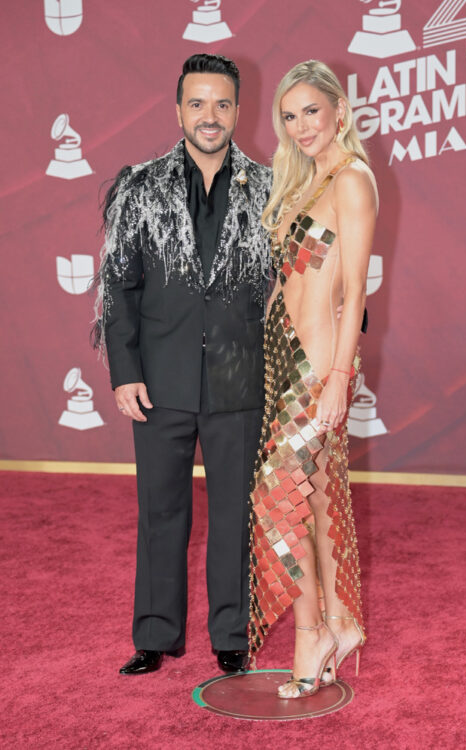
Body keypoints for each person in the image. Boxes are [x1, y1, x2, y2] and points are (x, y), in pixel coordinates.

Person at [93, 54, 272, 675]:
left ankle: (231, 638)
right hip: (160, 380)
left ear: (238, 110)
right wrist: (124, 371)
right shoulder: (139, 187)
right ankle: (154, 635)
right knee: (160, 511)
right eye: (197, 103)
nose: (210, 116)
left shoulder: (270, 189)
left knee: (234, 515)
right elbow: (119, 289)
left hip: (238, 378)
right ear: (178, 110)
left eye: (222, 103)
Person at [248, 60, 378, 698]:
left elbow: (353, 291)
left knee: (280, 501)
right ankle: (339, 623)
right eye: (290, 115)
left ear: (339, 111)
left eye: (312, 112)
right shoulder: (300, 182)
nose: (301, 126)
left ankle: (310, 634)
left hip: (318, 365)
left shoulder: (352, 180)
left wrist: (337, 376)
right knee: (317, 499)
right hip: (282, 358)